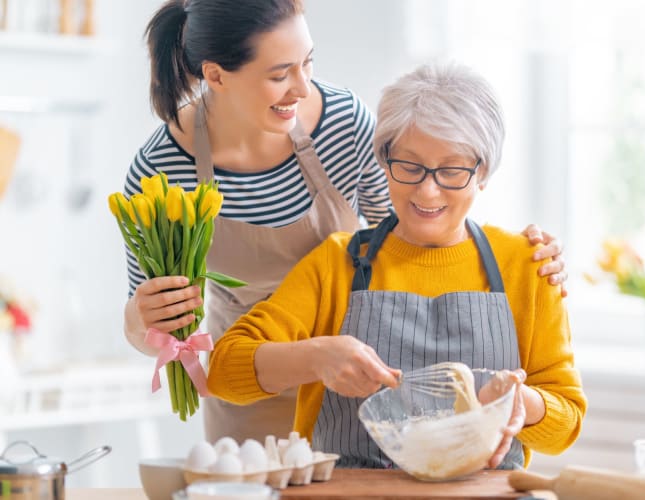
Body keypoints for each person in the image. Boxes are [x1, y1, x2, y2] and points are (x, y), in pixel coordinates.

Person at [121, 0, 569, 444]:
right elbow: (153, 331)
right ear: (216, 75)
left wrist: (514, 256)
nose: (302, 87)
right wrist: (148, 320)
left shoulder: (341, 124)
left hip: (355, 382)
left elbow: (414, 225)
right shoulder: (161, 172)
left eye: (308, 63)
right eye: (280, 74)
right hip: (250, 383)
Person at [207, 62, 586, 469]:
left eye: (451, 170)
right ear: (383, 160)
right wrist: (315, 357)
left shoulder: (527, 266)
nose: (427, 190)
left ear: (484, 173)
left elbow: (566, 423)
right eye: (409, 165)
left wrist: (520, 403)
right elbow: (224, 369)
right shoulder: (339, 263)